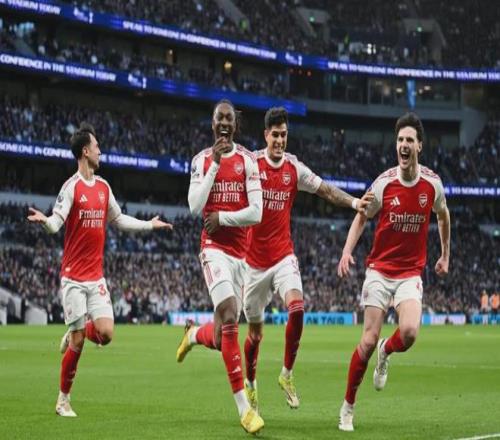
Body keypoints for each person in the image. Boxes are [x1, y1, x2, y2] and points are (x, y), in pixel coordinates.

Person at [27, 122, 172, 418]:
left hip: (96, 277)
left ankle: (74, 330)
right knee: (79, 341)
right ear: (85, 151)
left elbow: (119, 219)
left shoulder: (104, 187)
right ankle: (63, 400)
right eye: (96, 147)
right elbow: (56, 222)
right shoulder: (71, 187)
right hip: (73, 277)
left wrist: (149, 225)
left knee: (105, 334)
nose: (100, 151)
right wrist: (45, 222)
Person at [241, 107, 373, 412]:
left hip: (283, 256)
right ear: (266, 135)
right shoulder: (251, 164)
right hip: (252, 264)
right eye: (275, 135)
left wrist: (354, 202)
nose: (280, 140)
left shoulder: (294, 168)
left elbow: (325, 190)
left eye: (284, 135)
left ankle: (286, 374)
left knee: (297, 308)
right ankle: (250, 383)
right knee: (255, 335)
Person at [336, 112, 451, 431]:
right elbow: (362, 215)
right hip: (379, 270)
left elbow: (443, 216)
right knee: (367, 340)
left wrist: (445, 254)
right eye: (400, 139)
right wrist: (347, 250)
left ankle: (387, 350)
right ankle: (348, 407)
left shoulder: (432, 184)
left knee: (410, 332)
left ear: (419, 146)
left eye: (409, 140)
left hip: (410, 273)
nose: (403, 145)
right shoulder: (384, 183)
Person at [175, 99, 264, 434]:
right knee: (229, 314)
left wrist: (222, 217)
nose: (224, 123)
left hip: (242, 256)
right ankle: (245, 410)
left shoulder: (248, 161)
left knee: (219, 334)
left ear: (235, 125)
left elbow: (257, 212)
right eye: (219, 119)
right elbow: (194, 206)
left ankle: (193, 335)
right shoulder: (200, 160)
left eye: (229, 119)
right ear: (213, 124)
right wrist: (214, 163)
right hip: (213, 250)